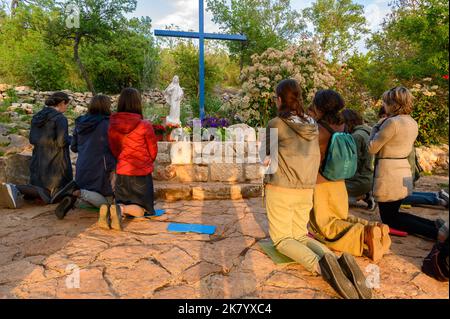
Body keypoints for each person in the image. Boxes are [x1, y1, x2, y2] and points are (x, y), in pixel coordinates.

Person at [261, 79, 371, 299]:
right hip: (306, 189)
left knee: (283, 240)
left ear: (280, 99)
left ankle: (323, 268)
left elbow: (267, 161)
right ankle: (338, 261)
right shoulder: (311, 123)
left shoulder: (276, 124)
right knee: (300, 236)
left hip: (281, 188)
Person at [308, 90, 391, 263]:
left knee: (324, 226)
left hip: (321, 183)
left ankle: (364, 235)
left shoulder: (318, 129)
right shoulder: (342, 126)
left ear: (319, 106)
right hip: (339, 182)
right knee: (340, 218)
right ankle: (375, 228)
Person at [369, 87, 442, 241]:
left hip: (389, 173)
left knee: (390, 218)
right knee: (395, 213)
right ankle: (435, 225)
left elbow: (372, 148)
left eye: (386, 102)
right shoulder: (412, 122)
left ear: (393, 104)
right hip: (403, 169)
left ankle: (436, 233)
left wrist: (376, 126)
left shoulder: (392, 123)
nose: (384, 106)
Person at [0, 92, 73, 208]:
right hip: (56, 161)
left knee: (41, 188)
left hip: (39, 158)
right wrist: (72, 139)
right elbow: (61, 142)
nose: (67, 107)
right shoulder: (60, 119)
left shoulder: (38, 116)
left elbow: (32, 139)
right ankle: (15, 188)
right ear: (62, 103)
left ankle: (13, 189)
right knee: (53, 195)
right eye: (67, 104)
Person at [53, 95, 116, 220]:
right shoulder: (108, 123)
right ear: (106, 107)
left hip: (83, 167)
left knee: (91, 195)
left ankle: (76, 193)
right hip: (102, 169)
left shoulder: (81, 123)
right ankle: (77, 193)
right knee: (108, 204)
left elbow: (74, 147)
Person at [105, 88, 158, 231]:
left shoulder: (112, 125)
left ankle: (117, 208)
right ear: (137, 103)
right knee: (143, 211)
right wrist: (147, 162)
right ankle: (120, 210)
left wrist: (121, 161)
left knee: (123, 201)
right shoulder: (144, 125)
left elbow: (114, 149)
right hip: (140, 173)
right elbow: (153, 150)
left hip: (122, 172)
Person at [379, 106, 449, 209]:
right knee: (405, 194)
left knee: (399, 198)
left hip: (403, 174)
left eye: (384, 117)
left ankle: (437, 200)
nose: (382, 120)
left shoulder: (394, 132)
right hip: (406, 173)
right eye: (381, 117)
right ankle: (437, 195)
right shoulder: (401, 131)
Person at [342, 109, 376, 210]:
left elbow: (351, 166)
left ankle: (363, 195)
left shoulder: (356, 137)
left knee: (331, 190)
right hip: (371, 178)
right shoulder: (368, 131)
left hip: (360, 180)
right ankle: (366, 194)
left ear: (347, 122)